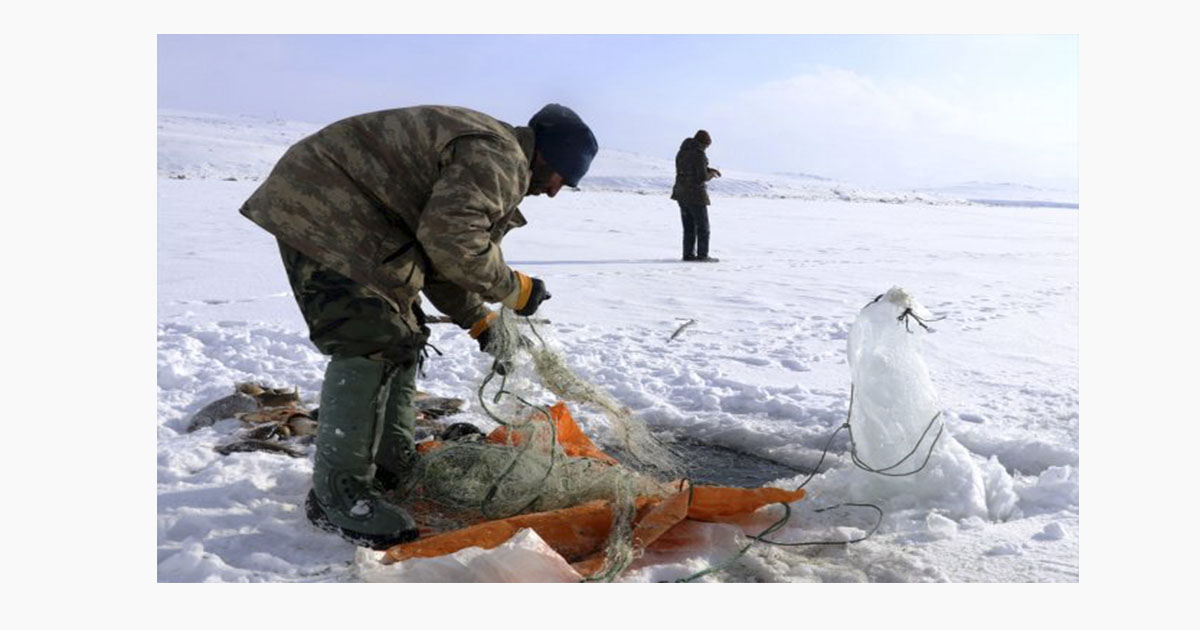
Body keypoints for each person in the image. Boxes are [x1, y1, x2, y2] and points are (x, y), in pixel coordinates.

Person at [238, 104, 598, 549]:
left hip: (367, 221)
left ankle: (392, 462)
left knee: (404, 335)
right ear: (547, 157)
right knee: (371, 336)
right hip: (328, 208)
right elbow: (452, 243)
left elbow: (443, 264)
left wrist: (480, 321)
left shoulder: (497, 157)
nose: (557, 191)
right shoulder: (499, 157)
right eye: (563, 176)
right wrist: (515, 290)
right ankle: (338, 492)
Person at [670, 129, 721, 262]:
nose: (706, 148)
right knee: (703, 227)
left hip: (681, 193)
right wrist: (710, 174)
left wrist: (708, 169)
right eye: (707, 146)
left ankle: (688, 255)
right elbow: (700, 177)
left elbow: (688, 170)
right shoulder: (699, 155)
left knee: (688, 227)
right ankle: (702, 255)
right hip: (695, 195)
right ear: (703, 143)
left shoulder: (682, 152)